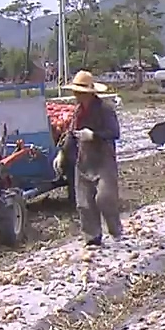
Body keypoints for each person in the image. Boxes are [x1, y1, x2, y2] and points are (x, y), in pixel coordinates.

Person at [54, 70, 122, 247]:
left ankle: (115, 228)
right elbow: (70, 134)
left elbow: (114, 133)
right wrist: (62, 153)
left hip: (103, 159)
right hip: (84, 159)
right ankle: (92, 238)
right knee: (84, 203)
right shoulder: (78, 111)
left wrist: (93, 135)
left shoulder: (105, 110)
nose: (76, 96)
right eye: (76, 92)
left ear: (89, 94)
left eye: (80, 93)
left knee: (104, 198)